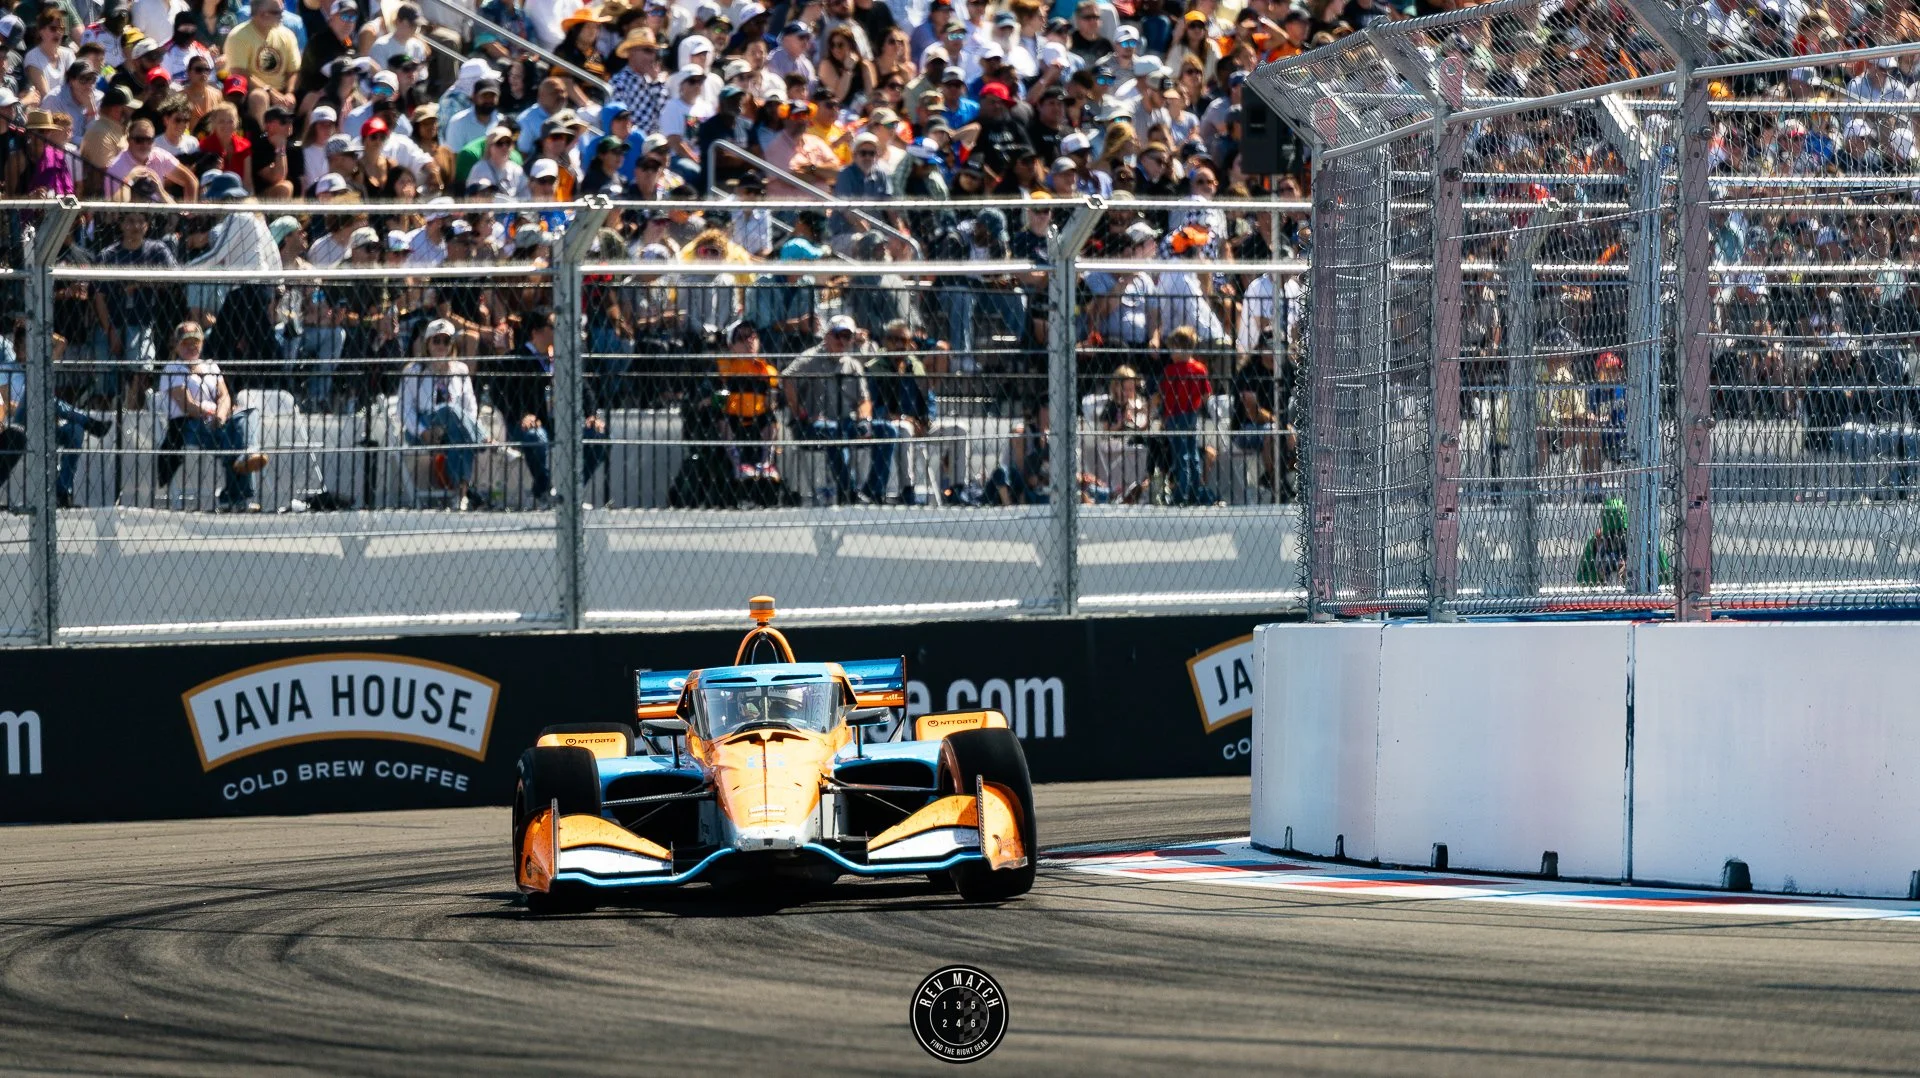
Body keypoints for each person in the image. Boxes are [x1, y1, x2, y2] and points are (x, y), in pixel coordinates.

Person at [491, 308, 608, 507]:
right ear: (536, 332)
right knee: (537, 437)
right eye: (554, 326)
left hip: (559, 422)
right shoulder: (516, 359)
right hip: (527, 424)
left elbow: (584, 389)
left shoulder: (562, 359)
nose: (560, 331)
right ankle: (544, 491)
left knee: (599, 436)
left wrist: (591, 415)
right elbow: (499, 393)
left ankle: (572, 493)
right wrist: (522, 415)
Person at [782, 314, 898, 504]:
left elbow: (864, 400)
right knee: (830, 430)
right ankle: (848, 491)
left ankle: (873, 490)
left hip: (846, 422)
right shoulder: (810, 358)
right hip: (812, 425)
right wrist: (801, 413)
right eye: (838, 335)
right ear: (827, 335)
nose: (842, 341)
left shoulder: (853, 364)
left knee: (888, 430)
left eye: (847, 336)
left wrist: (864, 420)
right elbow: (787, 379)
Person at [155, 320, 267, 511]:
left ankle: (246, 455)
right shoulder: (172, 369)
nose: (191, 346)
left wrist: (221, 416)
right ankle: (240, 493)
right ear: (176, 345)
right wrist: (213, 413)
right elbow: (187, 405)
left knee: (248, 413)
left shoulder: (211, 366)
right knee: (235, 436)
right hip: (188, 424)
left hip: (218, 420)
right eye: (186, 342)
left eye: (195, 341)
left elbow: (224, 396)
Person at [0, 332, 114, 509]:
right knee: (37, 396)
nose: (27, 351)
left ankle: (62, 492)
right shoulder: (6, 369)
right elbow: (6, 404)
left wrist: (35, 325)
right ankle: (89, 422)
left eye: (31, 347)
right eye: (24, 347)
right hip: (19, 424)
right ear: (15, 348)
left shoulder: (39, 367)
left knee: (75, 430)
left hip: (44, 422)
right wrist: (33, 406)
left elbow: (62, 343)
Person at [400, 319, 485, 510]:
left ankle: (460, 495)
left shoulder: (460, 369)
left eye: (446, 341)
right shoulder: (414, 371)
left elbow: (470, 405)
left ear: (451, 344)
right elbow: (404, 409)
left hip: (453, 429)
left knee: (460, 433)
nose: (441, 345)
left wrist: (466, 423)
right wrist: (423, 431)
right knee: (450, 410)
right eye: (436, 340)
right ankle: (484, 440)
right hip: (423, 426)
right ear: (427, 344)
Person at [1155, 325, 1216, 505]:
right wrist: (1194, 402)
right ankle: (1195, 491)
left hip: (1174, 416)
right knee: (1192, 454)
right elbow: (1206, 394)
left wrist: (1163, 417)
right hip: (1191, 415)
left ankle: (1182, 493)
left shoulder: (1171, 371)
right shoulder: (1199, 369)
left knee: (1180, 456)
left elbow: (1164, 396)